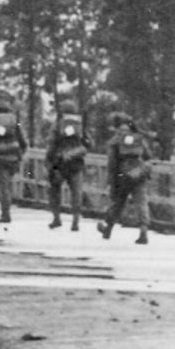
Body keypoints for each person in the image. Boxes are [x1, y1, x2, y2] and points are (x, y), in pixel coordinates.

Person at [98, 112, 152, 244]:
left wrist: (112, 180)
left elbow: (112, 163)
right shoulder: (138, 137)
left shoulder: (116, 139)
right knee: (141, 201)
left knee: (118, 202)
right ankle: (143, 231)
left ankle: (108, 228)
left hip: (124, 174)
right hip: (139, 171)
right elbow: (148, 155)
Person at [45, 100, 92, 231]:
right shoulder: (80, 126)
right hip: (76, 163)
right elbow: (89, 143)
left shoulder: (57, 125)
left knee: (54, 191)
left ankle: (56, 218)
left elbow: (51, 144)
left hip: (60, 163)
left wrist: (49, 162)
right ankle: (75, 221)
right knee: (76, 193)